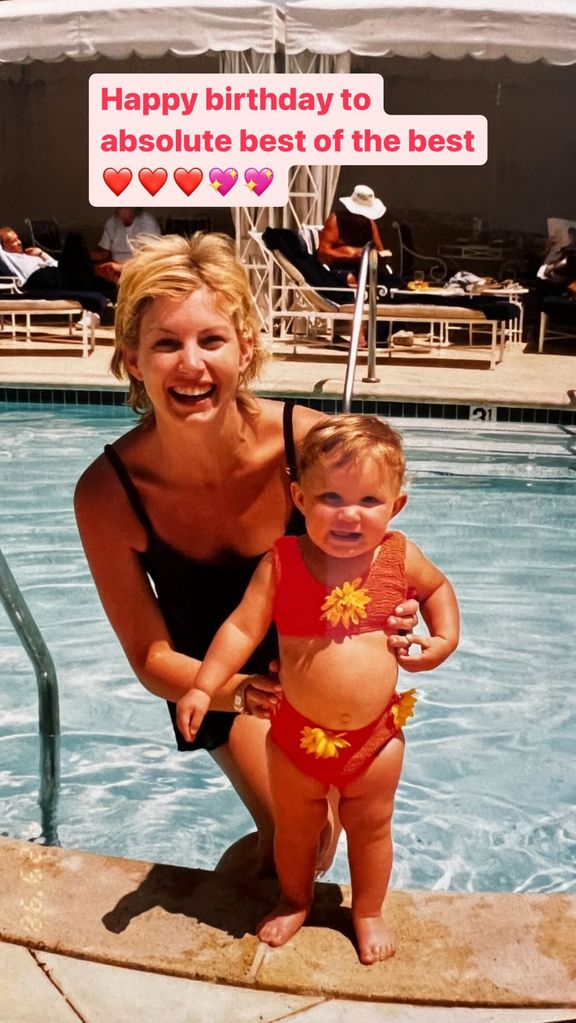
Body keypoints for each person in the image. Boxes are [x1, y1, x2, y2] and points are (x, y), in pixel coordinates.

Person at [74, 233, 419, 881]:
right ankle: (231, 912)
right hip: (217, 678)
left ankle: (235, 899)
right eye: (166, 343)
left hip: (319, 662)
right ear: (131, 361)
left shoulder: (310, 445)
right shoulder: (109, 493)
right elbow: (151, 659)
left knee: (326, 829)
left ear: (247, 347)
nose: (191, 365)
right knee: (305, 828)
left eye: (211, 340)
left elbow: (379, 557)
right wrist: (245, 692)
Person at [176, 414, 460, 964]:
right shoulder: (282, 563)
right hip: (295, 737)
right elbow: (240, 628)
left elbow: (438, 589)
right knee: (296, 831)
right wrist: (202, 685)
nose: (349, 514)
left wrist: (442, 639)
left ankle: (368, 911)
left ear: (395, 507)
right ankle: (294, 898)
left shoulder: (400, 556)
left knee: (372, 830)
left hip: (376, 740)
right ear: (299, 498)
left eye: (369, 502)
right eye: (329, 496)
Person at [317, 184, 396, 286]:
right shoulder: (336, 221)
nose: (362, 218)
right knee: (350, 279)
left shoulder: (370, 223)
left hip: (364, 267)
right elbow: (322, 253)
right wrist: (352, 254)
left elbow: (379, 249)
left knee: (393, 280)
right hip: (339, 267)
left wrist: (382, 257)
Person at [91, 207, 161, 284]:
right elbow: (104, 252)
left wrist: (122, 267)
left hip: (139, 268)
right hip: (116, 267)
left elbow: (151, 257)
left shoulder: (147, 222)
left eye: (121, 206)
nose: (117, 209)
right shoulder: (112, 222)